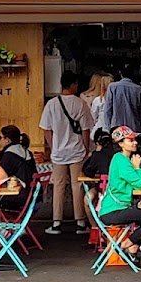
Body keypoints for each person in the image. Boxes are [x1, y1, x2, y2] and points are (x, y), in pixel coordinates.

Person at [40, 71, 94, 235]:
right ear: (72, 85)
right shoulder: (80, 104)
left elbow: (46, 129)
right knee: (77, 185)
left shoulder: (51, 104)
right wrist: (85, 148)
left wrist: (52, 146)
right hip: (77, 151)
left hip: (58, 153)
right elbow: (85, 130)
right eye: (76, 84)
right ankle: (80, 222)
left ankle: (56, 223)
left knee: (58, 185)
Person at [98, 125, 141, 256]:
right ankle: (125, 245)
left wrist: (136, 167)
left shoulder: (123, 159)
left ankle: (132, 245)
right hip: (114, 210)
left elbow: (137, 183)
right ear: (121, 144)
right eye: (130, 140)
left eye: (135, 139)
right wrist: (136, 167)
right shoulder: (121, 160)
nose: (135, 142)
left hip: (119, 208)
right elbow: (140, 184)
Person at [0, 125, 37, 210]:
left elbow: (1, 177)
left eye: (0, 137)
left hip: (19, 196)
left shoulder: (9, 155)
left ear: (7, 140)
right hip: (33, 195)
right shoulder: (27, 152)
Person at [101, 70, 141, 135]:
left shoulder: (112, 87)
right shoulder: (139, 89)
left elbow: (107, 110)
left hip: (116, 127)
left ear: (121, 74)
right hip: (133, 127)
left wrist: (107, 129)